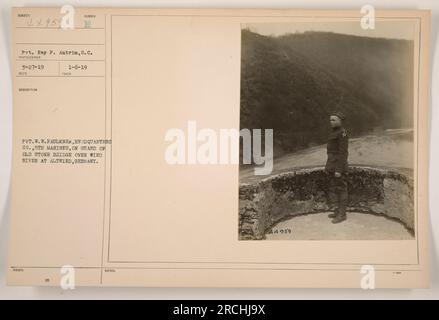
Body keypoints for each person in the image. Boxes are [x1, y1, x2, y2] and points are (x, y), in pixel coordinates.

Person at [325, 110, 349, 224]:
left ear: (340, 121)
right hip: (332, 163)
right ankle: (338, 210)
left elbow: (343, 153)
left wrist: (339, 170)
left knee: (341, 189)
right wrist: (328, 167)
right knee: (336, 188)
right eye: (330, 120)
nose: (331, 122)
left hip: (339, 165)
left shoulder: (342, 133)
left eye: (334, 120)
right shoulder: (334, 132)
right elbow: (331, 151)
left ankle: (342, 214)